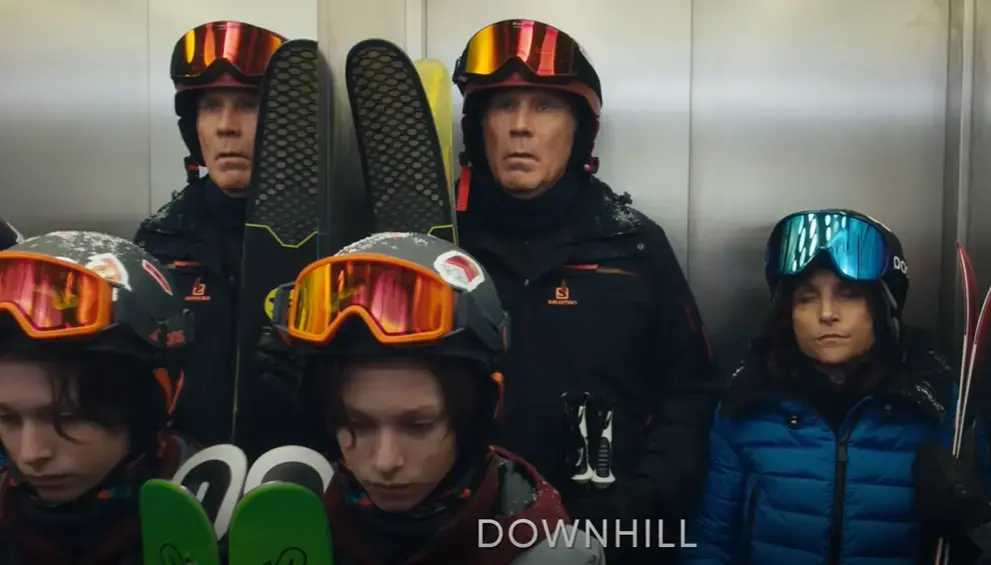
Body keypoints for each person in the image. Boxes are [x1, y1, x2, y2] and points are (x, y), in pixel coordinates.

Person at [450, 18, 722, 562]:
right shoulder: (438, 243)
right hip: (465, 535)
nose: (520, 127)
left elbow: (690, 390)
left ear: (580, 131)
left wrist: (645, 497)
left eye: (544, 107)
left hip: (611, 537)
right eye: (503, 106)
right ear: (479, 127)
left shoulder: (633, 245)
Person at [270, 232, 604, 564]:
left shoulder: (552, 555)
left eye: (418, 425)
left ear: (480, 413)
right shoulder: (283, 526)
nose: (386, 462)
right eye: (356, 424)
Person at [683, 209, 991, 564]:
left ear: (883, 307)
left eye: (849, 294)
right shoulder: (746, 404)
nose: (827, 313)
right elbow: (710, 541)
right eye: (807, 297)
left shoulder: (939, 407)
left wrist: (975, 526)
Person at [134, 21, 308, 457]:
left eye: (248, 105)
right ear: (193, 127)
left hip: (296, 472)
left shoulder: (323, 238)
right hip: (185, 477)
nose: (227, 127)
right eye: (211, 107)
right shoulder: (160, 240)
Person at [0, 230, 196, 564]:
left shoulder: (236, 523)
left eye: (68, 416)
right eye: (6, 418)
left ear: (148, 405)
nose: (31, 454)